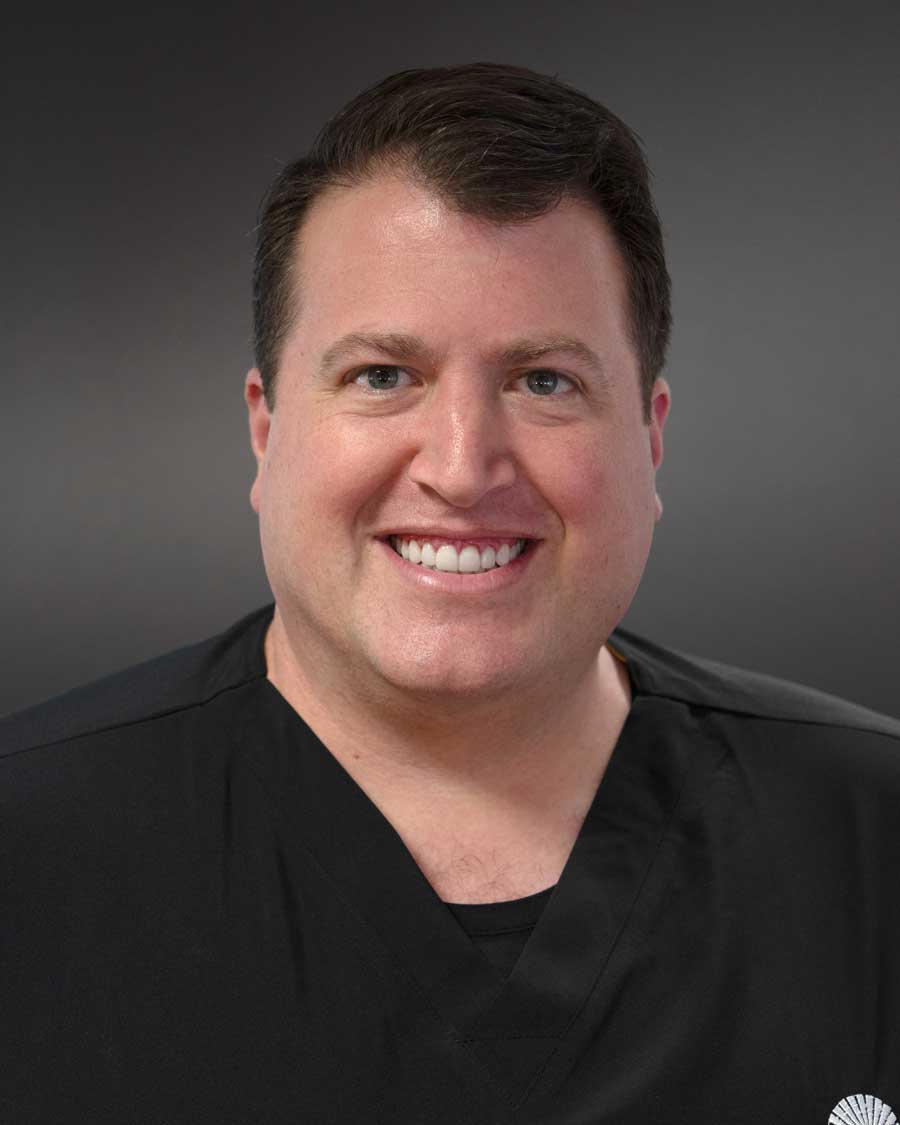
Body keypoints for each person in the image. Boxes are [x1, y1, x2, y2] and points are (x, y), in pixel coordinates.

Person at [2, 63, 898, 1125]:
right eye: (383, 376)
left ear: (651, 436)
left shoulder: (872, 837)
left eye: (545, 382)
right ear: (265, 426)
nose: (464, 468)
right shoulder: (30, 855)